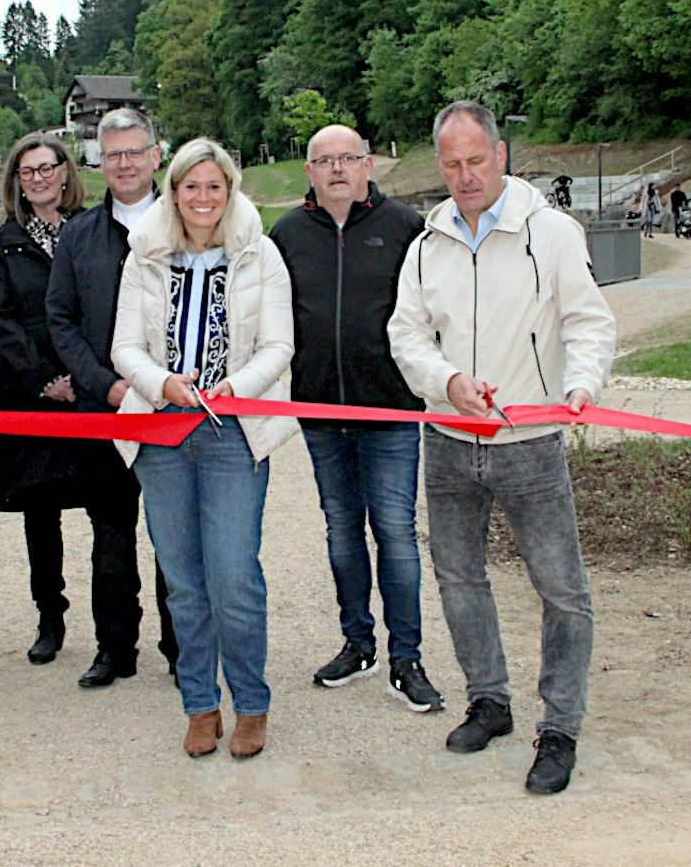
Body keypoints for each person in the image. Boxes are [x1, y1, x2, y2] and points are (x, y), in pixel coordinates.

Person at [387, 101, 616, 796]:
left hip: (530, 443)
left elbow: (588, 321)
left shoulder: (551, 232)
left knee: (561, 589)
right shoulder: (426, 243)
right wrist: (446, 382)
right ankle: (488, 699)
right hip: (448, 439)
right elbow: (406, 334)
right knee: (458, 579)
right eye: (452, 164)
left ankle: (560, 727)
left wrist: (580, 384)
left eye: (476, 160)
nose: (466, 176)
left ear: (501, 155)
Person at [111, 138, 295, 760]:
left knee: (234, 577)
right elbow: (124, 347)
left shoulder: (260, 254)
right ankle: (199, 705)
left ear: (230, 191)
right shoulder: (144, 255)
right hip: (162, 432)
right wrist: (162, 384)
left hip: (232, 432)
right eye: (191, 186)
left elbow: (279, 346)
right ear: (174, 191)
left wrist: (234, 388)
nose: (203, 197)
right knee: (184, 582)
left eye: (214, 186)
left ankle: (251, 705)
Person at [268, 123, 443, 712]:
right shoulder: (287, 235)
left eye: (348, 158)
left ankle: (407, 657)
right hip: (320, 409)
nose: (337, 169)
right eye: (325, 160)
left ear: (368, 165)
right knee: (341, 529)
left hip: (389, 407)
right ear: (309, 172)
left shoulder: (405, 227)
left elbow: (432, 311)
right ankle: (357, 642)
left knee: (395, 531)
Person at [45, 108, 178, 689]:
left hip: (173, 409)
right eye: (113, 154)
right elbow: (61, 320)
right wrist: (106, 385)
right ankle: (114, 648)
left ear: (155, 156)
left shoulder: (187, 223)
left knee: (175, 538)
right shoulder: (78, 236)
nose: (124, 163)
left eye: (134, 152)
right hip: (105, 410)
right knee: (110, 536)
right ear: (99, 162)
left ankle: (183, 648)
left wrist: (162, 386)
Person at [0, 131, 95, 666]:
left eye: (47, 167)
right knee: (40, 513)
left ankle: (115, 622)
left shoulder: (94, 229)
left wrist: (87, 377)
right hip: (31, 394)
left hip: (91, 389)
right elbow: (1, 319)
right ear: (16, 182)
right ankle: (50, 615)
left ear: (65, 171)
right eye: (27, 171)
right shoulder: (4, 242)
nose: (39, 178)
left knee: (108, 507)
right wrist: (45, 379)